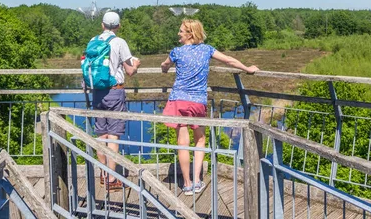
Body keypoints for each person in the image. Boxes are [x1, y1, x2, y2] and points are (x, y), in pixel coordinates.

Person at [160, 19, 259, 195]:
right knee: (199, 139)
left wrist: (165, 68)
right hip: (197, 101)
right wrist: (247, 69)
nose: (178, 34)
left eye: (181, 31)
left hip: (178, 100)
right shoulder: (207, 50)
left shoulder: (176, 52)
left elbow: (165, 65)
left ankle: (187, 184)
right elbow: (229, 60)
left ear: (190, 34)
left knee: (182, 143)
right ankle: (197, 180)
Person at [90, 11, 141, 190]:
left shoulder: (93, 41)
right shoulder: (119, 42)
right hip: (114, 92)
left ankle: (103, 175)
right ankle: (112, 179)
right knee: (113, 135)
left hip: (97, 92)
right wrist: (136, 64)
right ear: (118, 26)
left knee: (101, 135)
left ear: (102, 25)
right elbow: (129, 71)